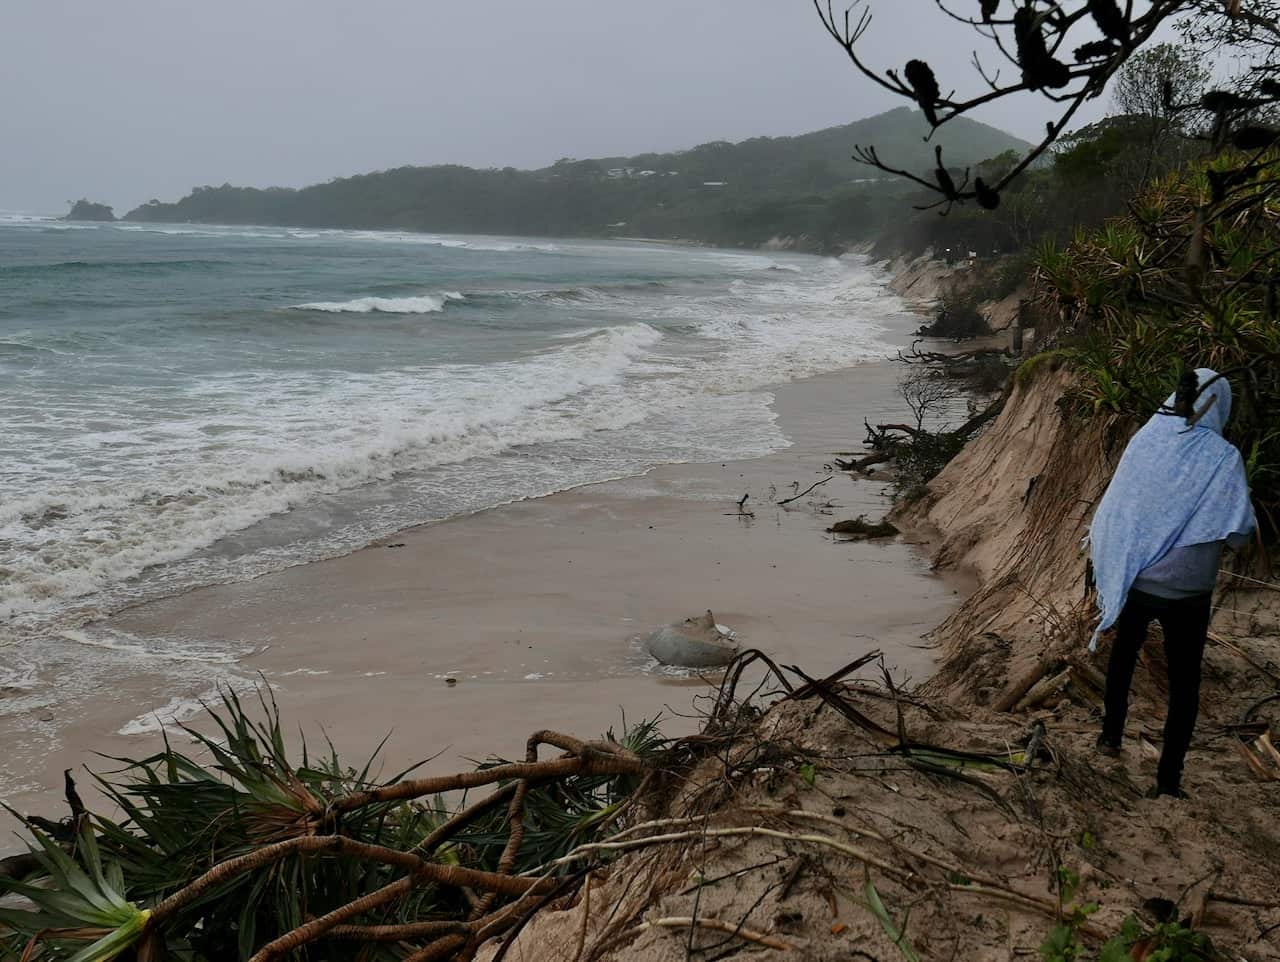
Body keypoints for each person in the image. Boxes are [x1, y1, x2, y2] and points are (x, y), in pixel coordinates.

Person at [1087, 368, 1256, 798]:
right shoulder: (1222, 456)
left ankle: (1110, 737)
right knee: (1185, 683)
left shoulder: (1145, 440)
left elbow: (1122, 505)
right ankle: (1168, 782)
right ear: (1218, 404)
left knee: (1123, 658)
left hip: (1138, 575)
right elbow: (1237, 530)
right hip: (1188, 589)